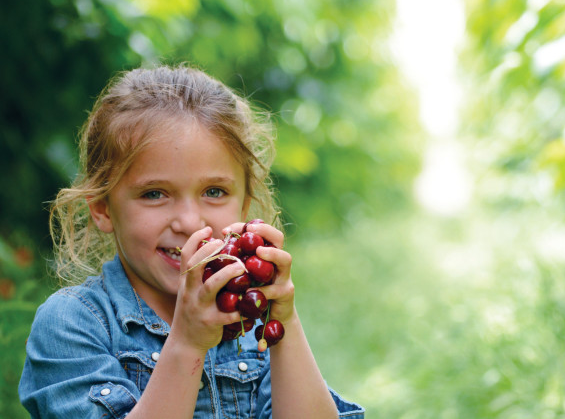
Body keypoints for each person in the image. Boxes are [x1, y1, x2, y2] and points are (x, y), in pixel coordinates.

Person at [18, 65, 364, 419]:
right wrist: (187, 343)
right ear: (104, 208)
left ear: (244, 205)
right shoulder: (73, 323)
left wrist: (284, 322)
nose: (189, 222)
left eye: (214, 192)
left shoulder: (249, 326)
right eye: (154, 194)